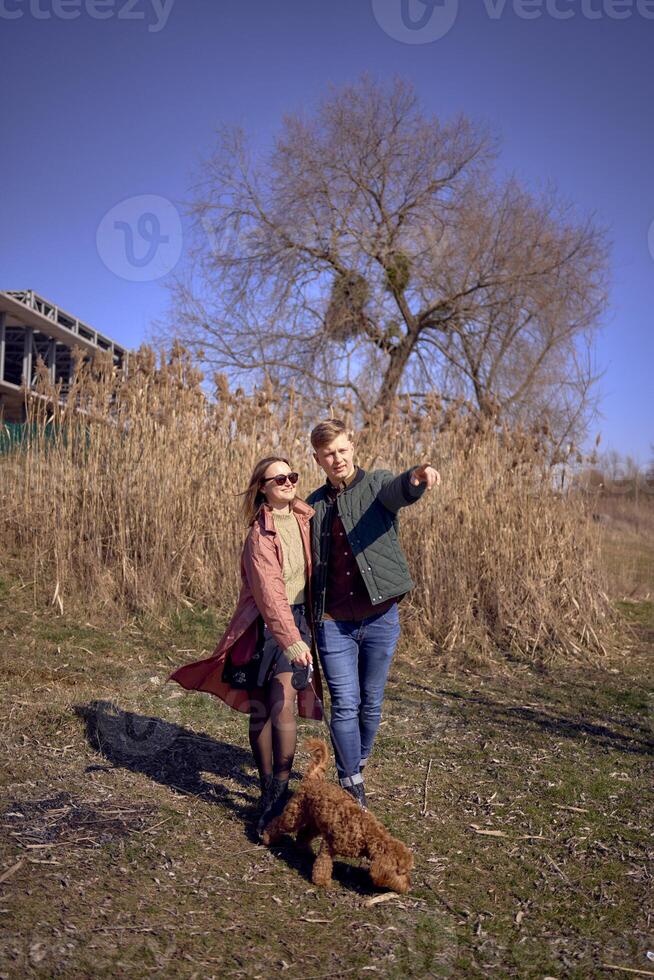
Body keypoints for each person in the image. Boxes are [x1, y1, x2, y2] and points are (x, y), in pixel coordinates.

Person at [167, 456, 323, 835]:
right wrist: (292, 641)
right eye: (279, 478)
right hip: (264, 630)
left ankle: (281, 792)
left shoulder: (307, 517)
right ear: (263, 488)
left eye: (293, 476)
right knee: (261, 711)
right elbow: (269, 595)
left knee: (283, 704)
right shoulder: (258, 536)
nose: (288, 482)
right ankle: (267, 788)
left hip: (298, 621)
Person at [306, 420, 440, 809]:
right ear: (318, 459)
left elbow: (399, 491)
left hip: (380, 618)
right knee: (344, 703)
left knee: (371, 700)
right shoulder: (313, 506)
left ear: (353, 447)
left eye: (342, 450)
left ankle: (358, 760)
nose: (337, 459)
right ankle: (352, 781)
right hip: (333, 623)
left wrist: (416, 476)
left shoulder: (376, 484)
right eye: (328, 454)